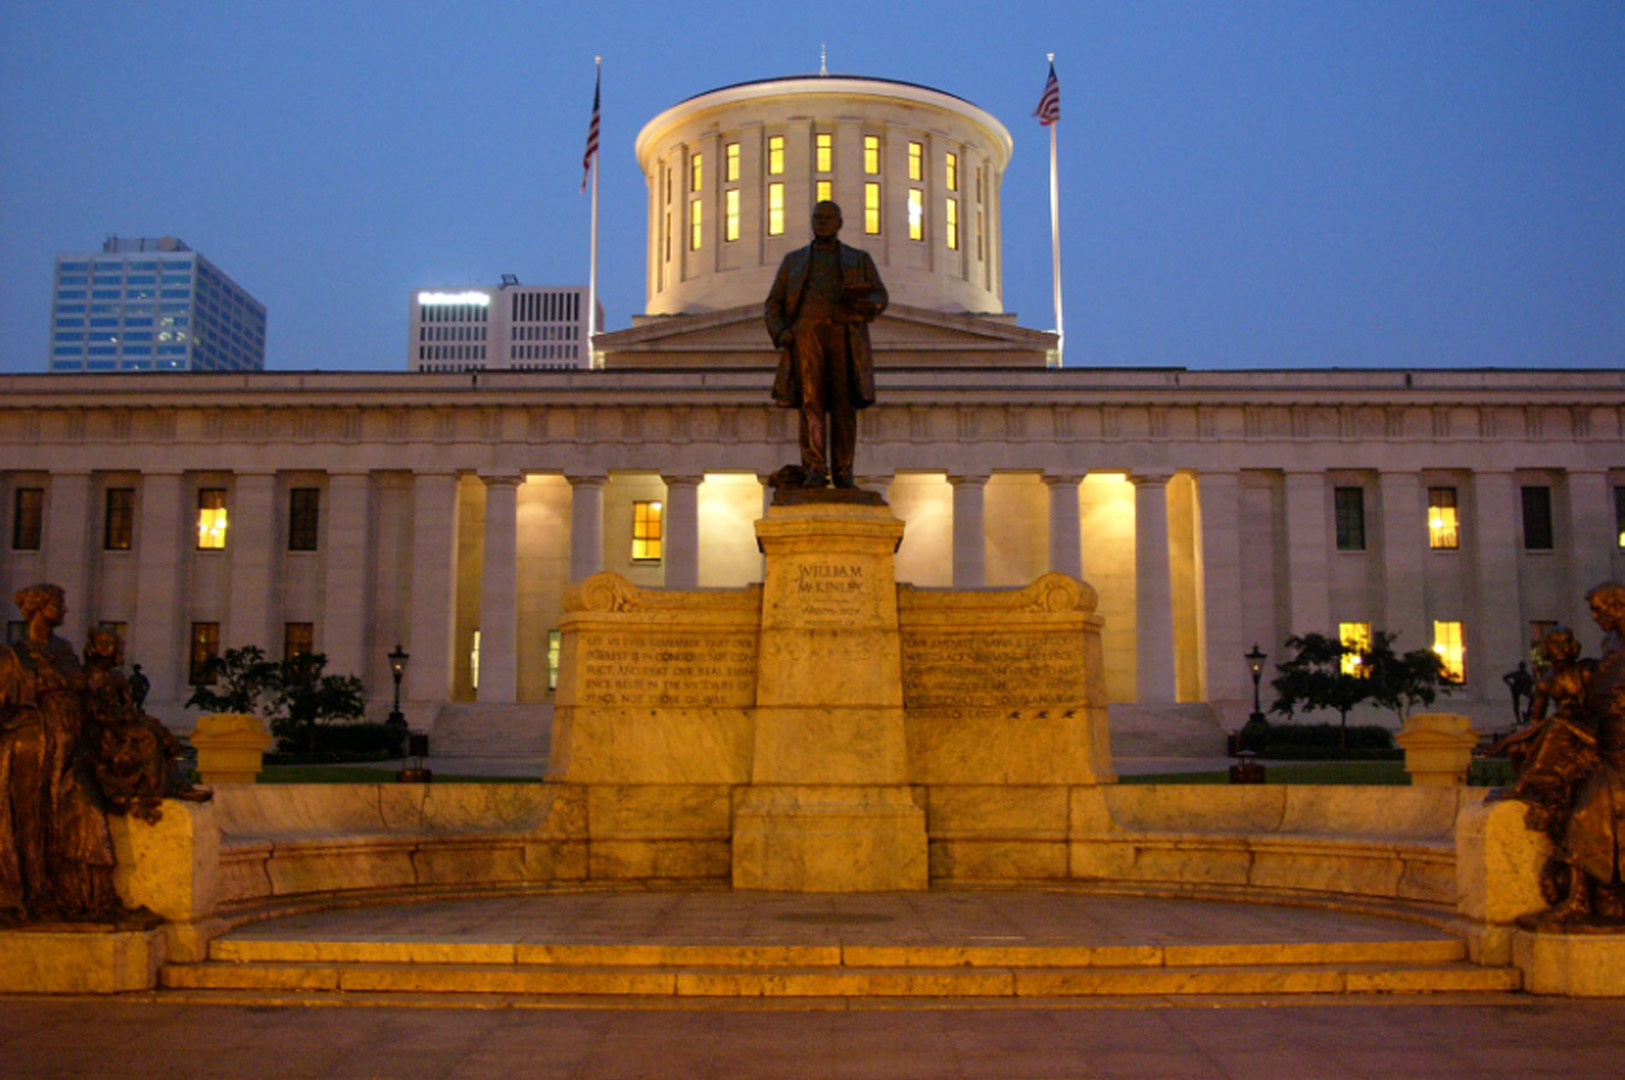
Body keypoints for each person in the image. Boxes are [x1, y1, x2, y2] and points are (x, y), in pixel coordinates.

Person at [0, 584, 122, 923]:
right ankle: (34, 891)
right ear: (40, 608)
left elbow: (85, 693)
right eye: (59, 604)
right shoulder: (14, 656)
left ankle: (70, 891)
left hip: (70, 746)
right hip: (30, 744)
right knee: (30, 818)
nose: (65, 611)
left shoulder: (66, 651)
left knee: (77, 809)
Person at [764, 201, 887, 489]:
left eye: (828, 218)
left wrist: (863, 303)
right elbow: (774, 303)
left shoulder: (858, 259)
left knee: (844, 407)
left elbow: (879, 296)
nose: (821, 222)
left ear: (839, 223)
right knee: (811, 404)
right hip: (807, 335)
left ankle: (844, 472)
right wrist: (781, 332)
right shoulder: (794, 262)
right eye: (817, 217)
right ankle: (815, 469)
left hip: (845, 335)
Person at [1541, 582, 1625, 924]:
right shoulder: (1611, 645)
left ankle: (1582, 900)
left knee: (1586, 813)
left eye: (1599, 609)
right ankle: (1584, 898)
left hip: (1620, 751)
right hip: (1606, 743)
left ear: (1618, 605)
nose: (1595, 616)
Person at [1503, 661, 1534, 725]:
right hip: (1516, 690)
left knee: (1533, 698)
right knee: (1516, 704)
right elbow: (1505, 677)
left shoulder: (1527, 675)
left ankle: (1527, 714)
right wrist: (1511, 684)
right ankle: (1518, 719)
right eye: (1521, 666)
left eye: (1523, 666)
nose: (1522, 668)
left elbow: (1530, 684)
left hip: (1523, 690)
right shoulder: (1516, 674)